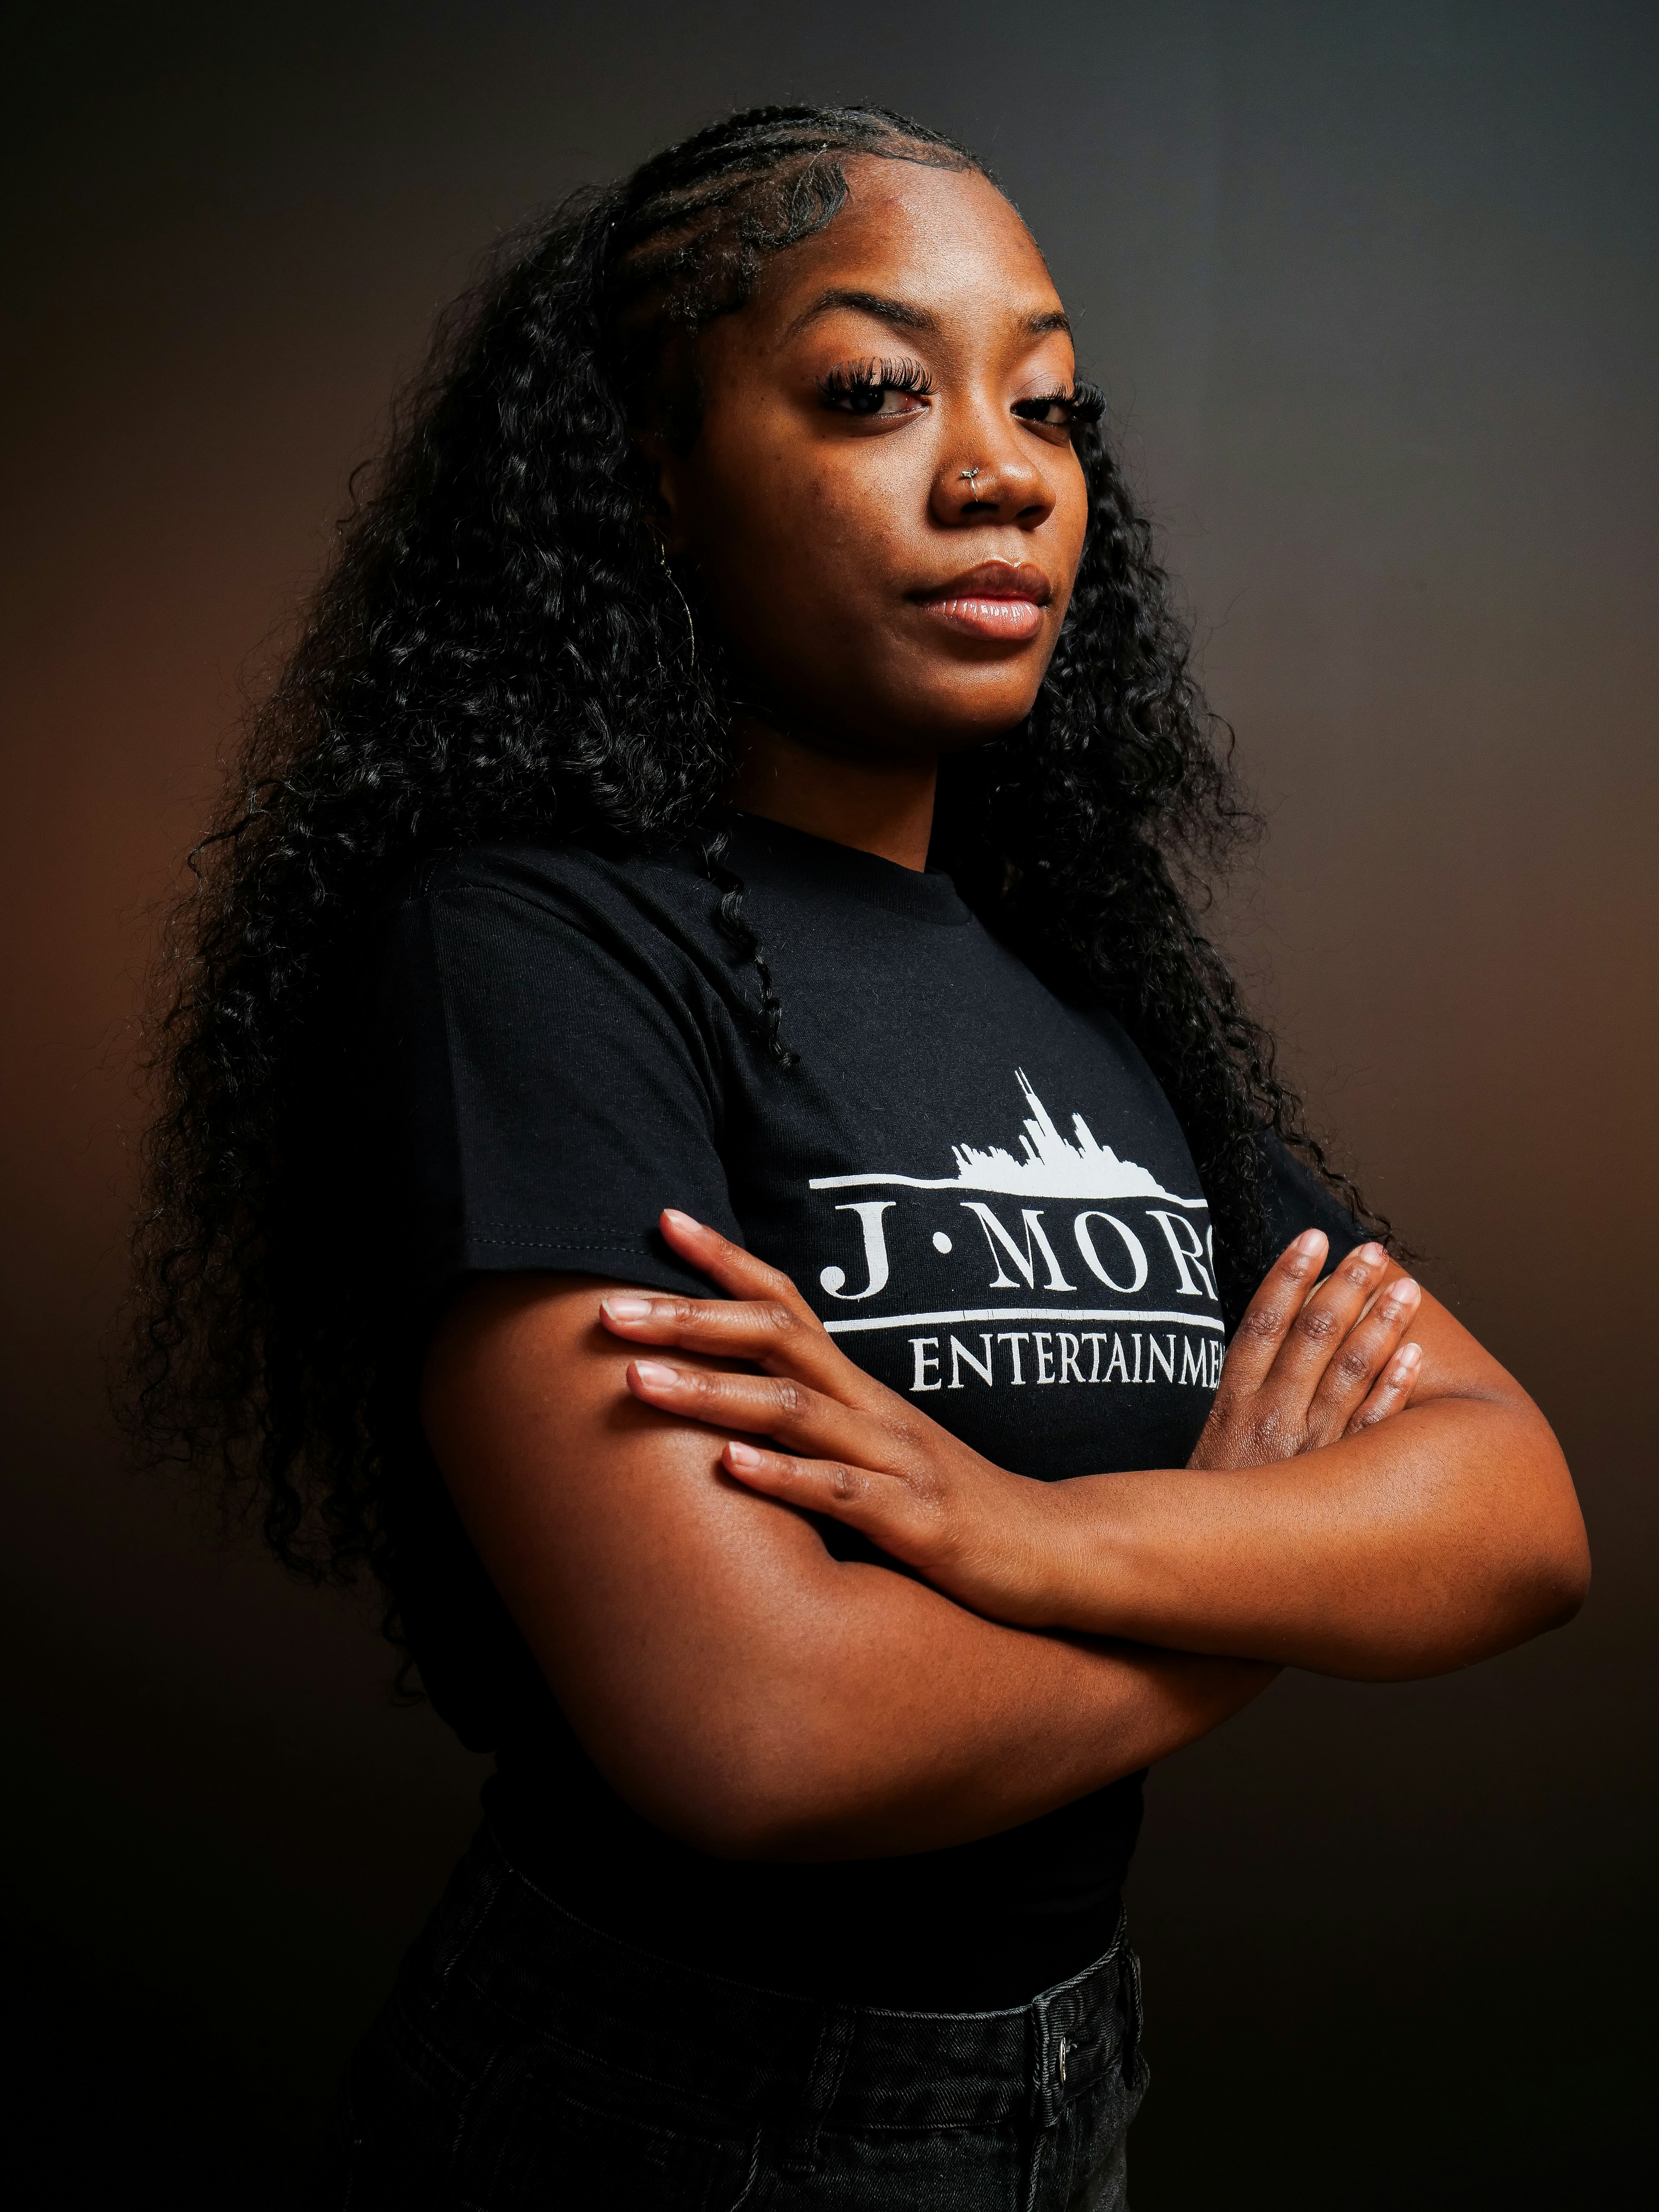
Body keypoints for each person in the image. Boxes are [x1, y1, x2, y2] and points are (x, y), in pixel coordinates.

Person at [128, 105, 1589, 2209]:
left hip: (1070, 2096)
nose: (1003, 470)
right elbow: (759, 1730)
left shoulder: (1087, 983)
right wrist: (1270, 1578)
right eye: (875, 390)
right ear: (656, 472)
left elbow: (1516, 1513)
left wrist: (1019, 1536)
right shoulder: (535, 947)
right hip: (666, 2117)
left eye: (1051, 404)